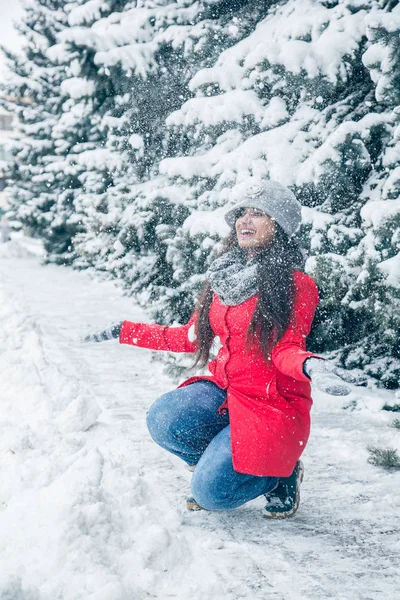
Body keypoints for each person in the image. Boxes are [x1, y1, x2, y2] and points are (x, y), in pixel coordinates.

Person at [83, 181, 365, 519]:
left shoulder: (296, 284)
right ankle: (230, 460)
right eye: (242, 213)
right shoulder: (225, 275)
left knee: (211, 494)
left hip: (270, 404)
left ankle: (278, 476)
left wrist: (311, 366)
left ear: (280, 225)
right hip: (227, 393)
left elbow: (286, 348)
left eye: (259, 214)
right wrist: (124, 330)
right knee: (163, 418)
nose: (245, 220)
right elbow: (190, 337)